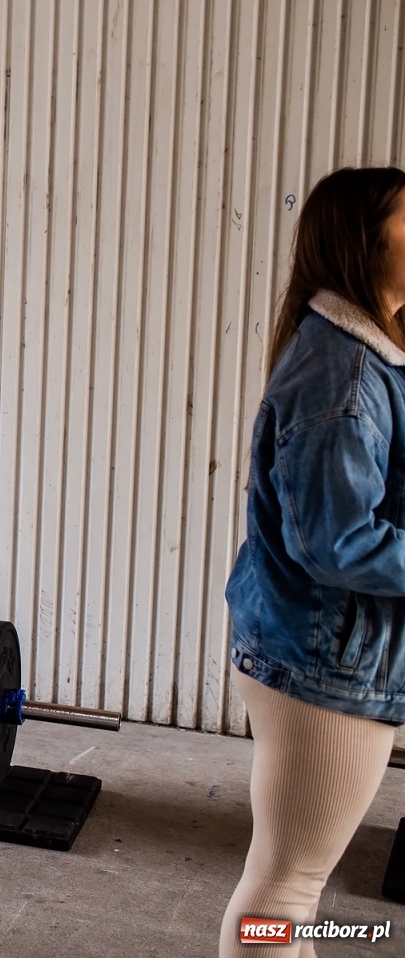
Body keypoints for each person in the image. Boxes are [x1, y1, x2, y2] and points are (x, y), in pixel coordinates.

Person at [219, 166, 405, 956]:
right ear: (364, 245)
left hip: (321, 656)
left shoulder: (367, 352)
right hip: (327, 668)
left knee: (291, 890)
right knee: (286, 895)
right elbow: (336, 542)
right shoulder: (345, 373)